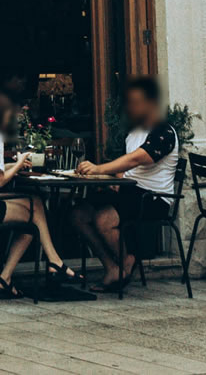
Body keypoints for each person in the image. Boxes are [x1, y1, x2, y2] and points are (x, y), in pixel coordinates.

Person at [0, 91, 93, 301]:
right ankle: (53, 263)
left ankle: (10, 276)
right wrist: (20, 163)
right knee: (35, 210)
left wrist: (13, 165)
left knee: (35, 212)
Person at [74, 75, 179, 289]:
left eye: (137, 102)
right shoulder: (134, 133)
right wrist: (116, 178)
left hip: (154, 199)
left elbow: (137, 159)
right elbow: (130, 170)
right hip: (131, 192)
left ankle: (127, 262)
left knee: (104, 219)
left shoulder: (164, 132)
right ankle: (112, 267)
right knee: (78, 215)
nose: (131, 107)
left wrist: (99, 169)